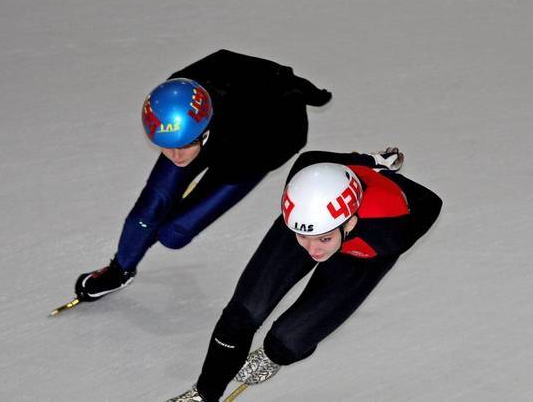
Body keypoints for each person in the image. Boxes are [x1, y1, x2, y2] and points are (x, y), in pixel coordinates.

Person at [168, 148, 442, 402]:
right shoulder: (303, 185)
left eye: (323, 239)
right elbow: (309, 158)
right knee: (241, 315)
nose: (312, 249)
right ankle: (204, 394)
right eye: (304, 236)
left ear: (350, 222)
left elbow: (431, 203)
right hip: (327, 215)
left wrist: (377, 172)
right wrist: (369, 160)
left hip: (364, 253)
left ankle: (275, 352)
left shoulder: (390, 232)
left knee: (288, 341)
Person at [74, 49, 332, 301]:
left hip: (248, 155)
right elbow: (223, 59)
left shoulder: (265, 132)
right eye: (166, 146)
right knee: (148, 211)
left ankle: (155, 235)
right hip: (223, 124)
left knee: (174, 235)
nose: (176, 156)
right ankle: (120, 270)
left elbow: (286, 122)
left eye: (185, 145)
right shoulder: (173, 99)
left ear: (205, 133)